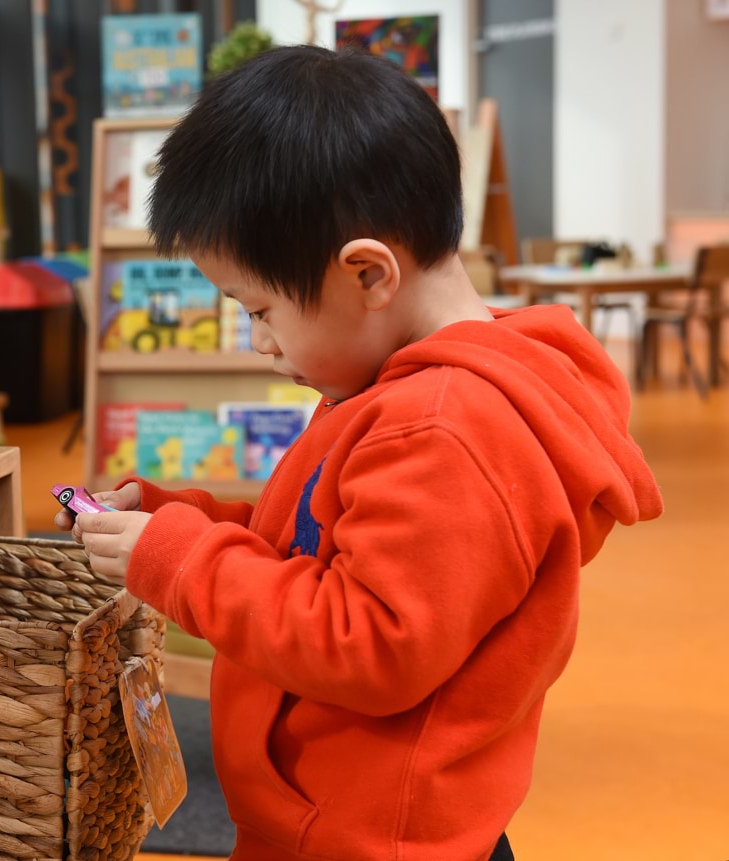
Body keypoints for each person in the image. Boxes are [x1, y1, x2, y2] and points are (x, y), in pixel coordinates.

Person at [57, 46, 663, 861]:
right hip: (333, 821)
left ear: (369, 273)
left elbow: (367, 637)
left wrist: (182, 560)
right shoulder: (397, 394)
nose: (259, 341)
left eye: (262, 308)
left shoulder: (441, 428)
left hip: (364, 838)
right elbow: (323, 547)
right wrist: (180, 520)